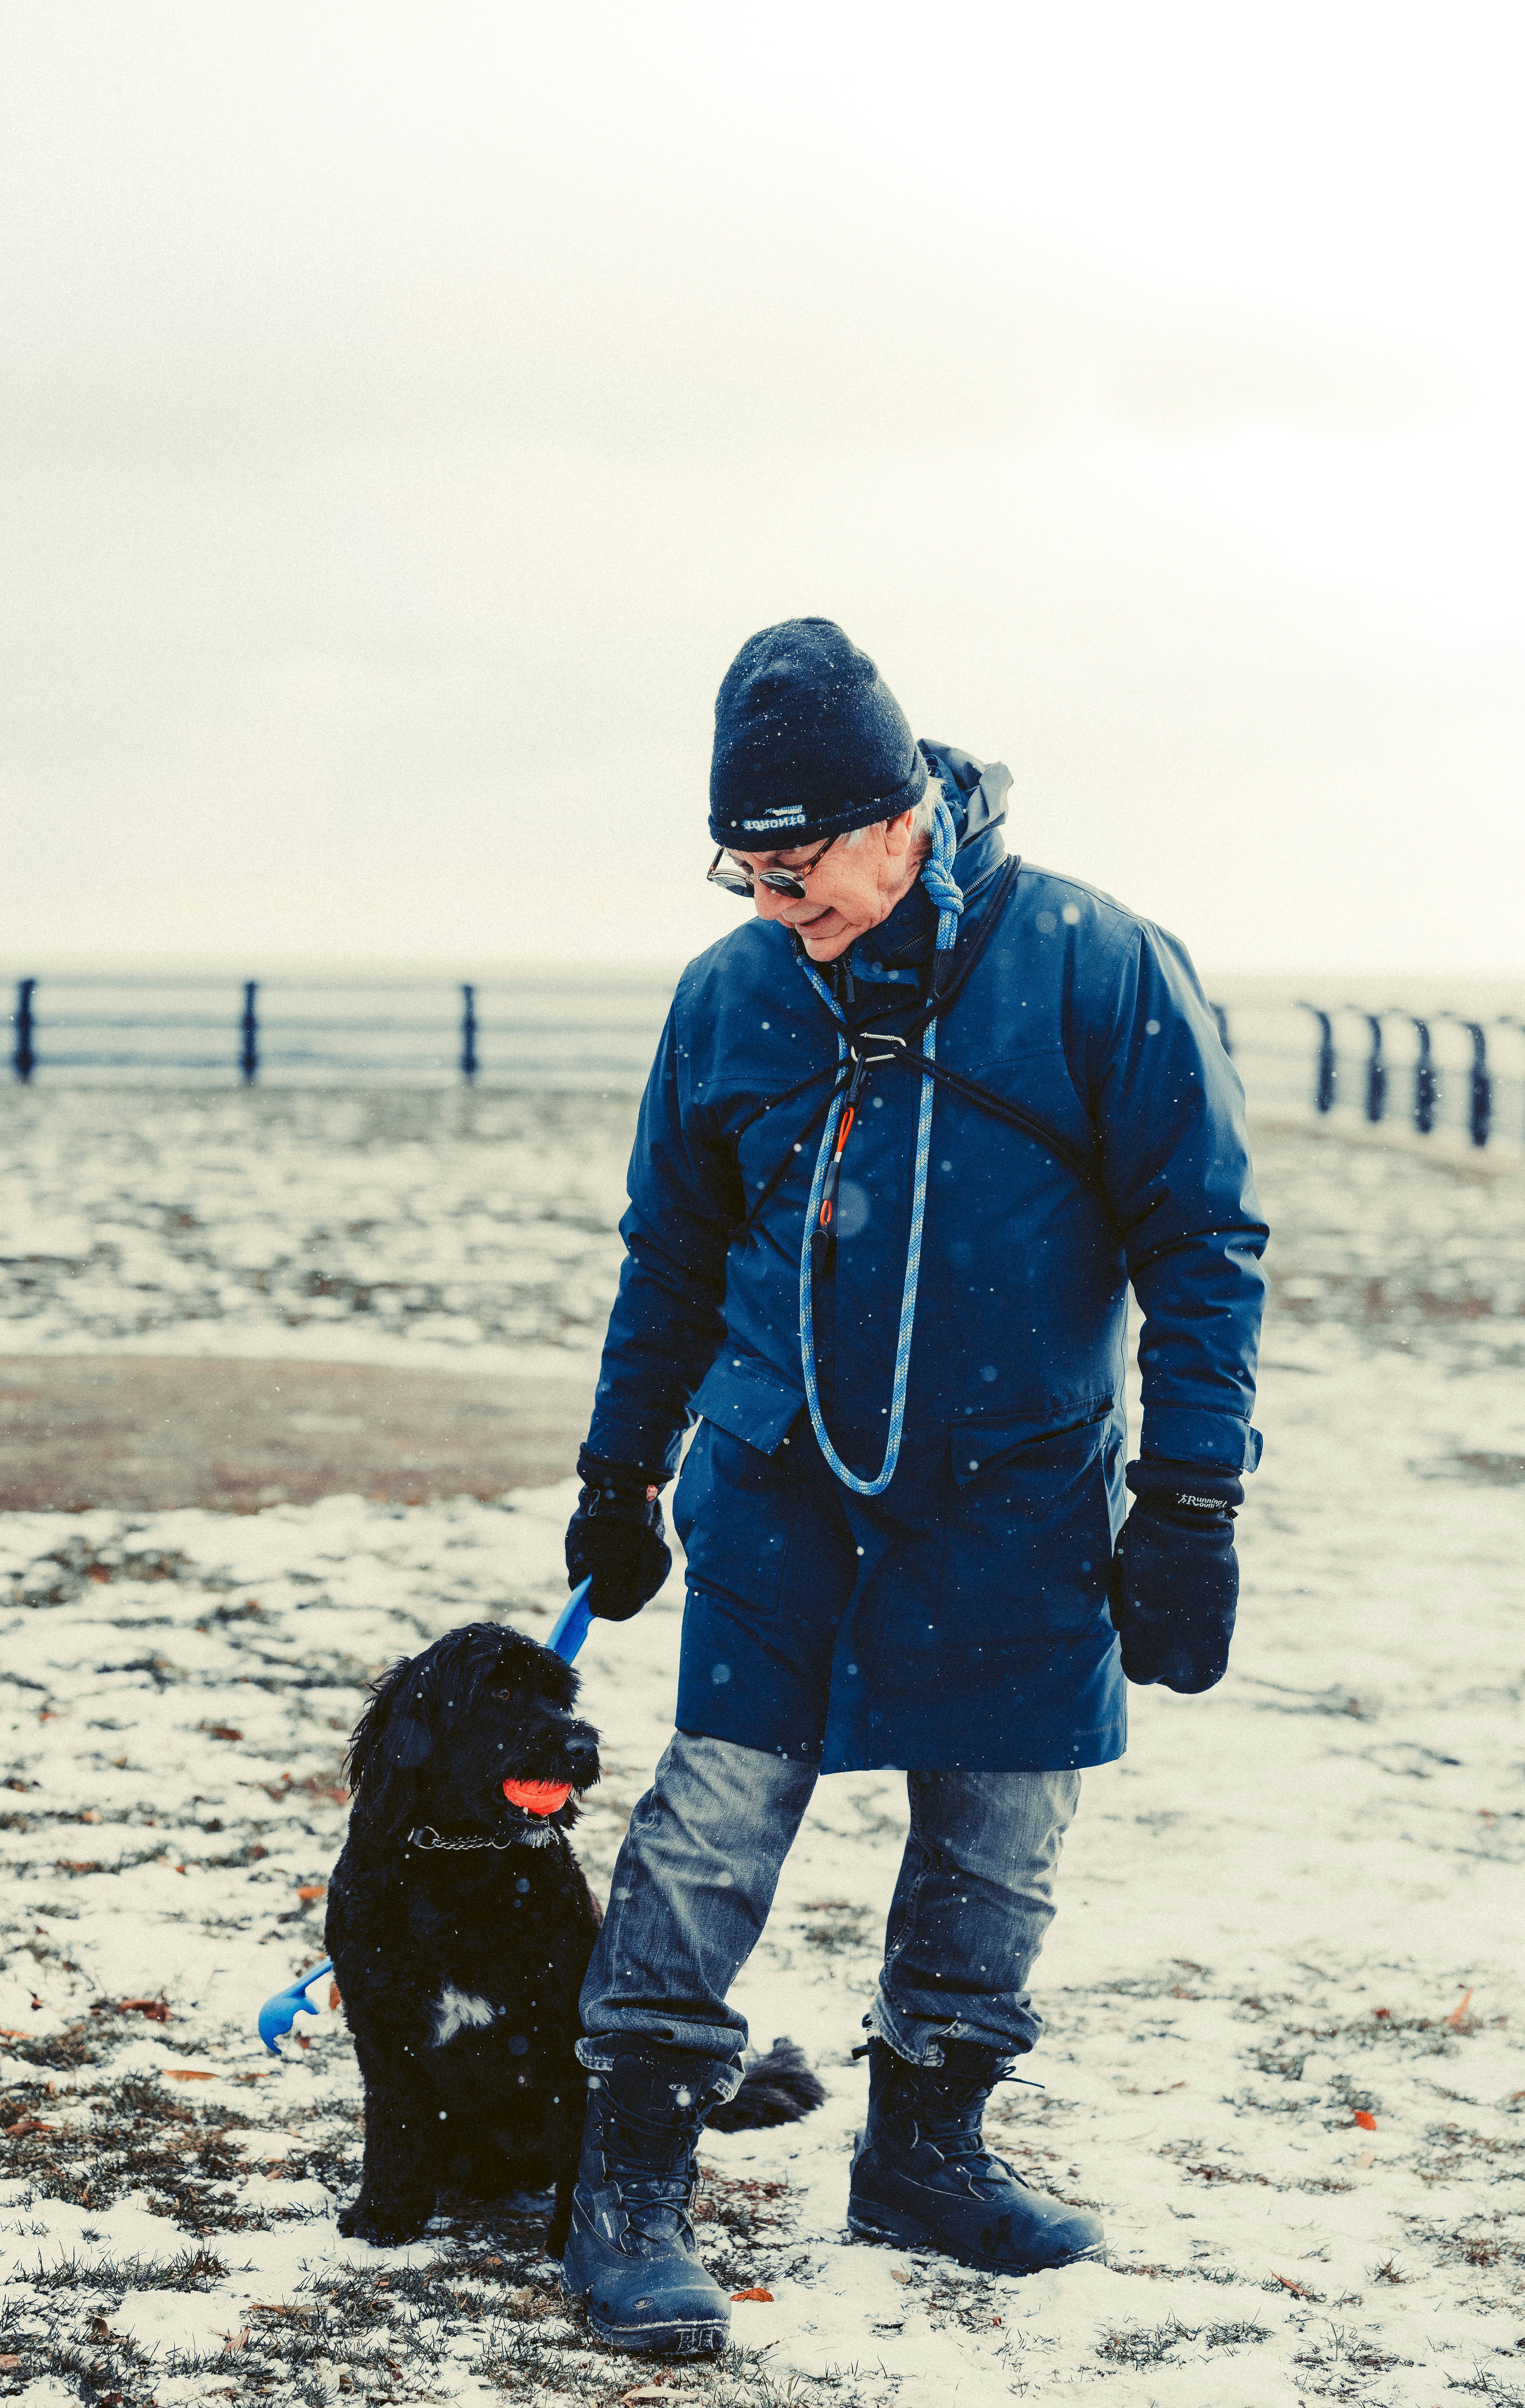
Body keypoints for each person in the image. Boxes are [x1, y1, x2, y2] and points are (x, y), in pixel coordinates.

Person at [558, 618, 1267, 2354]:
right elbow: (670, 1253)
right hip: (778, 1486)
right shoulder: (733, 995)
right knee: (712, 1819)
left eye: (795, 866)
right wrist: (618, 1466)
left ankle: (927, 2152)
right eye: (744, 866)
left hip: (1017, 1501)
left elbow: (1204, 1246)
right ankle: (631, 2172)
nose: (768, 899)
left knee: (1001, 1837)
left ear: (896, 819)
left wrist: (1190, 1506)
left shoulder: (1099, 968)